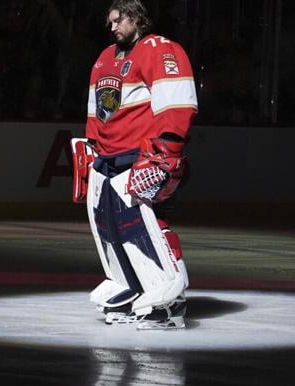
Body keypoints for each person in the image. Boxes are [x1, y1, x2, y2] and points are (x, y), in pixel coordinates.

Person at [71, 0, 198, 330]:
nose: (112, 27)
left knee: (146, 225)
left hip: (140, 157)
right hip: (108, 159)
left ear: (136, 18)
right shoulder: (103, 60)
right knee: (110, 227)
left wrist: (166, 152)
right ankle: (132, 287)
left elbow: (177, 105)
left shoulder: (159, 49)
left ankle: (169, 296)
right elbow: (96, 112)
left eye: (118, 20)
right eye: (109, 22)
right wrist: (91, 150)